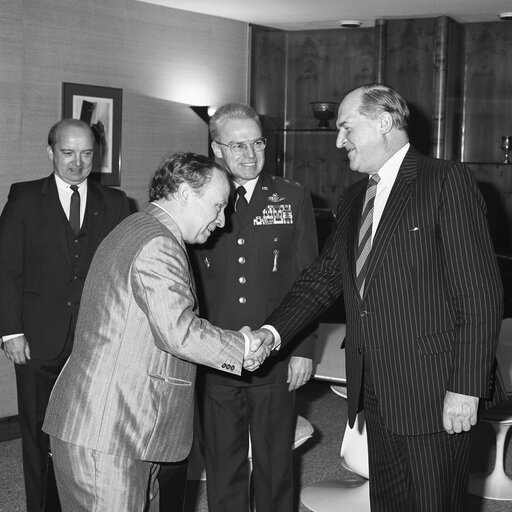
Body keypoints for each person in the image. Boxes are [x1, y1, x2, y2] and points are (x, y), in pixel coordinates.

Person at [255, 84, 504, 512]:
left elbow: (479, 294)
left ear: (384, 123)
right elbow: (322, 280)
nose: (339, 141)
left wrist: (465, 388)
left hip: (435, 388)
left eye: (346, 128)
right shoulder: (354, 198)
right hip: (374, 387)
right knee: (387, 501)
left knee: (433, 503)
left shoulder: (446, 180)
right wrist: (272, 332)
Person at [41, 152, 272, 512]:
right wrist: (242, 345)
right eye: (217, 206)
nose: (222, 221)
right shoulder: (158, 244)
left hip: (126, 427)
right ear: (183, 193)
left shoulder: (141, 228)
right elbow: (179, 332)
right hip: (110, 431)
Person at [189, 103, 318, 511]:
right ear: (217, 150)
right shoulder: (199, 200)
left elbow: (309, 281)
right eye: (237, 145)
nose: (250, 153)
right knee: (223, 463)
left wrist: (304, 350)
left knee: (275, 462)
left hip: (276, 354)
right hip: (216, 354)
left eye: (257, 142)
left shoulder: (291, 196)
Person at [0, 118, 130, 512]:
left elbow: (123, 273)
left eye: (87, 153)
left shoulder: (117, 203)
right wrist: (10, 332)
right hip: (37, 340)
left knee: (89, 436)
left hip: (95, 343)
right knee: (39, 437)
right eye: (68, 152)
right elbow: (7, 269)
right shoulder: (23, 199)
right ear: (51, 152)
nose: (77, 162)